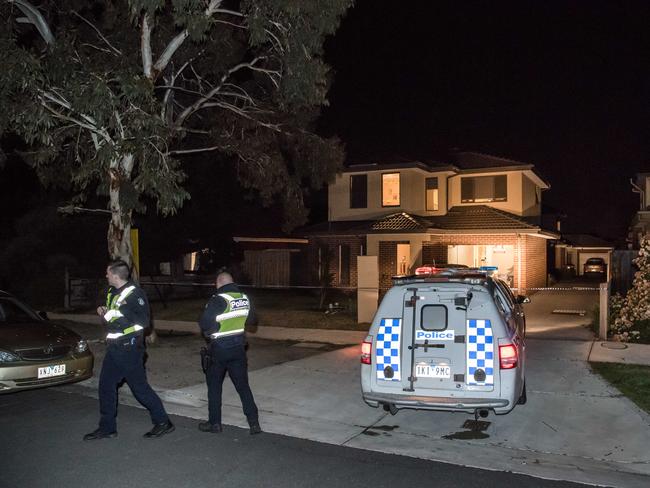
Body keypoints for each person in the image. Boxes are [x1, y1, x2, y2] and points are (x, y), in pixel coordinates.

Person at [83, 260, 174, 441]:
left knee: (139, 389)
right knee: (106, 386)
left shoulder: (135, 294)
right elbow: (113, 316)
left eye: (108, 273)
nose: (106, 275)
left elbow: (143, 323)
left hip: (130, 349)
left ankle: (163, 422)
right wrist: (105, 312)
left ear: (116, 275)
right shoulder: (112, 292)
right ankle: (107, 428)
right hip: (115, 348)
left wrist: (110, 315)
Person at [198, 270, 261, 435]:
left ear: (218, 283)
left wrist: (214, 329)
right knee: (243, 386)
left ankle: (215, 424)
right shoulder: (244, 298)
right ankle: (254, 424)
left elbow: (204, 323)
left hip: (219, 349)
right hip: (239, 349)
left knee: (214, 387)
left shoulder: (218, 300)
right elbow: (253, 321)